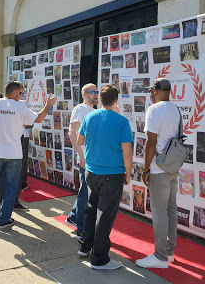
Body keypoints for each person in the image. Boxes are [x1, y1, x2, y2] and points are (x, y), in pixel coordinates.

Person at [0, 81, 56, 229]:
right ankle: (3, 220)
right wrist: (48, 105)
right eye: (20, 93)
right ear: (13, 92)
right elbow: (38, 119)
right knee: (11, 186)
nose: (21, 95)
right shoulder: (20, 107)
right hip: (14, 154)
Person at [77, 85, 133, 270]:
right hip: (112, 174)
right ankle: (99, 258)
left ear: (100, 99)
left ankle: (85, 247)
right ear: (116, 100)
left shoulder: (89, 116)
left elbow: (79, 141)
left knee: (91, 210)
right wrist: (128, 173)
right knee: (105, 215)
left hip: (91, 172)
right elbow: (127, 153)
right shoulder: (121, 121)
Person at [136, 78, 180, 269]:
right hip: (172, 167)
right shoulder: (175, 108)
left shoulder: (154, 109)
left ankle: (160, 256)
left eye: (150, 91)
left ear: (154, 91)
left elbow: (151, 142)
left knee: (160, 212)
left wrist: (145, 169)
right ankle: (169, 252)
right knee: (171, 210)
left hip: (158, 168)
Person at [66, 83, 98, 240]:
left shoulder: (95, 111)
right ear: (85, 94)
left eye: (97, 92)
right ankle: (81, 230)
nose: (96, 94)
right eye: (93, 92)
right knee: (85, 194)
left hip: (94, 157)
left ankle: (73, 217)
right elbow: (72, 133)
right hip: (86, 158)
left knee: (86, 191)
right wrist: (82, 156)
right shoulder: (80, 109)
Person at [0, 99, 32, 211]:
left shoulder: (19, 104)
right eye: (20, 92)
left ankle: (10, 200)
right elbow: (28, 123)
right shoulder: (12, 104)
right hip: (15, 139)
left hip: (18, 138)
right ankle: (3, 202)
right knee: (10, 172)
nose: (21, 94)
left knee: (16, 172)